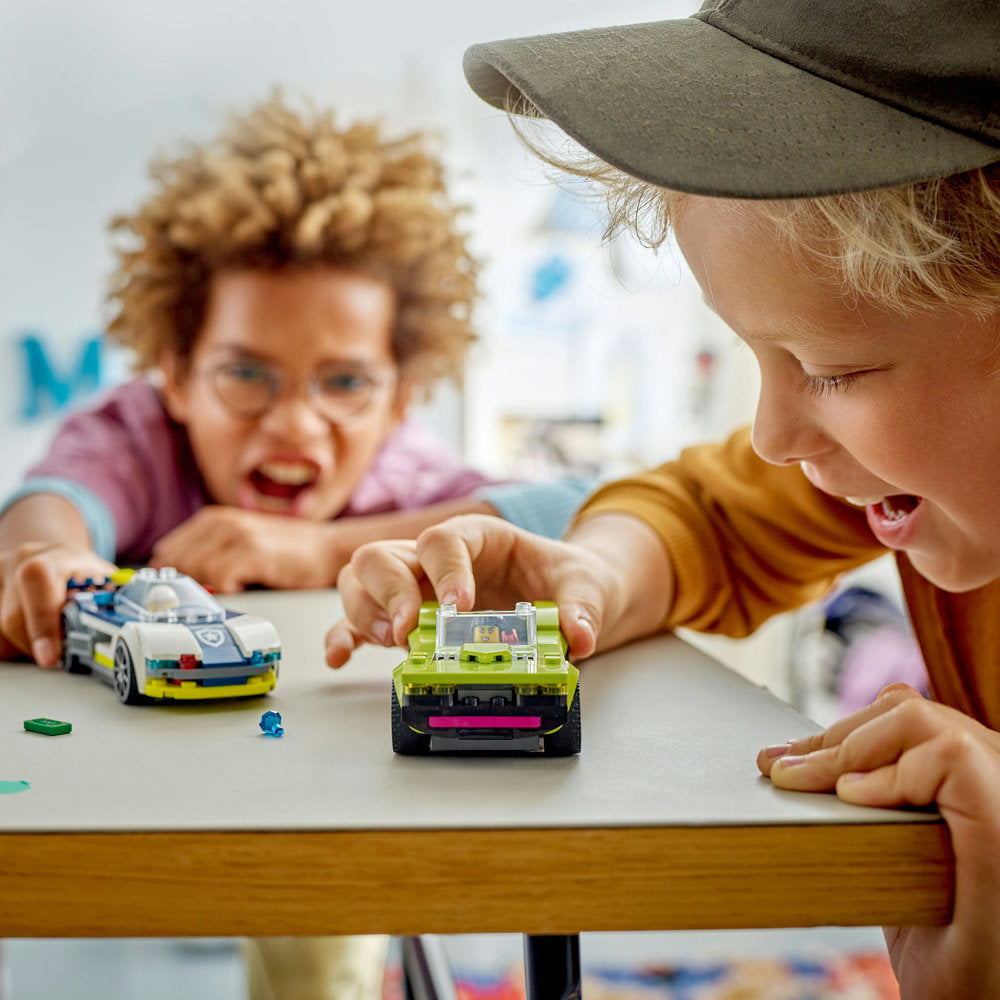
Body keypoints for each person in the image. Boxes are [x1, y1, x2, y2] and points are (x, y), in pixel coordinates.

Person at [323, 3, 1000, 997]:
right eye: (755, 353)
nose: (773, 436)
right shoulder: (938, 470)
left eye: (831, 370)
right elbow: (710, 513)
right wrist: (592, 573)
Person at [0, 92, 587, 1000]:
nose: (294, 423)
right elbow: (52, 504)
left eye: (345, 381)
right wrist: (42, 560)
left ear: (400, 399)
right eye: (244, 374)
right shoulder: (134, 437)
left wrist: (317, 551)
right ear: (175, 373)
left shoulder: (406, 474)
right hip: (124, 784)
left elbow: (569, 508)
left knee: (321, 935)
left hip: (308, 781)